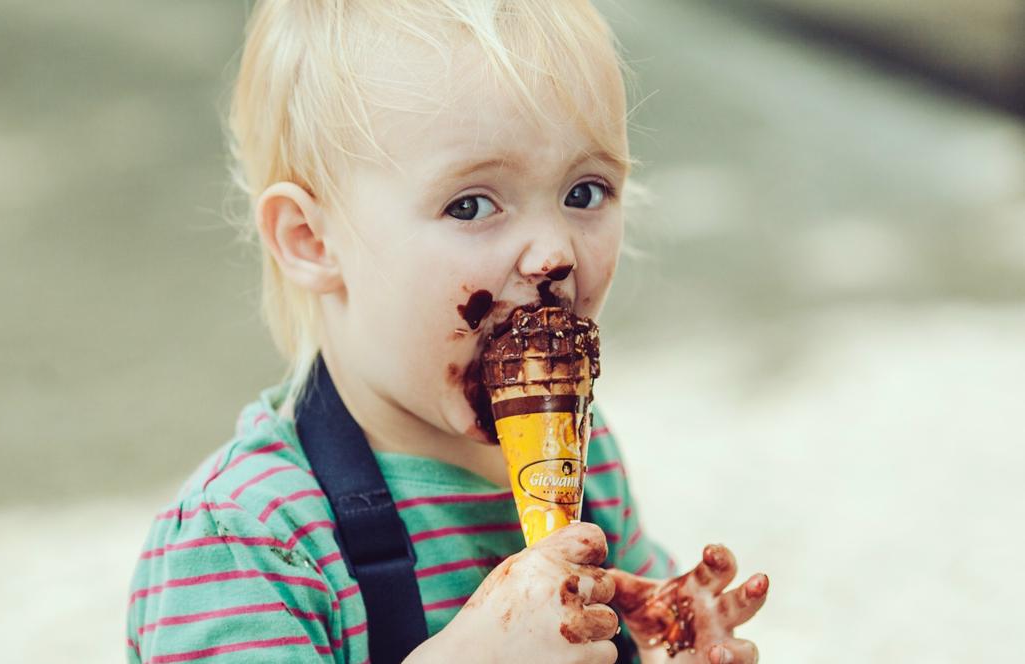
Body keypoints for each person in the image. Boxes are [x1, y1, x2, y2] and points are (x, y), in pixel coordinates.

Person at [126, 1, 769, 662]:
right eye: (471, 205)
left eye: (584, 192)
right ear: (312, 240)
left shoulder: (586, 456)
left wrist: (664, 643)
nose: (554, 254)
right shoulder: (251, 541)